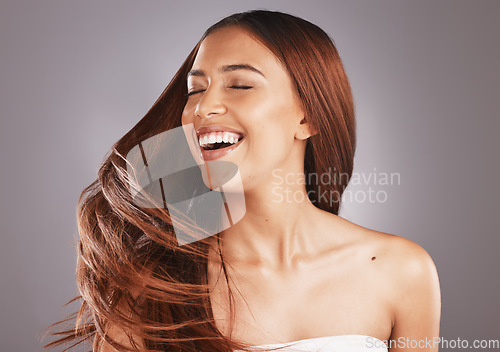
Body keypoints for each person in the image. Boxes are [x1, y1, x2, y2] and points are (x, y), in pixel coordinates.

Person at [44, 9, 441, 352]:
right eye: (195, 89)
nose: (202, 107)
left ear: (308, 117)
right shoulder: (149, 289)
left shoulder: (400, 271)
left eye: (240, 85)